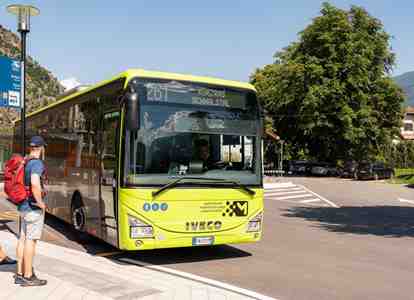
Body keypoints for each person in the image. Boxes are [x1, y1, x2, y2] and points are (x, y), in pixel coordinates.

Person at [15, 136, 48, 287]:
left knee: (22, 239)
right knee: (31, 240)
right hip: (32, 207)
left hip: (22, 206)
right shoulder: (36, 164)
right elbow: (35, 184)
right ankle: (28, 276)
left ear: (30, 147)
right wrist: (41, 204)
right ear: (41, 148)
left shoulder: (26, 161)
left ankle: (19, 274)